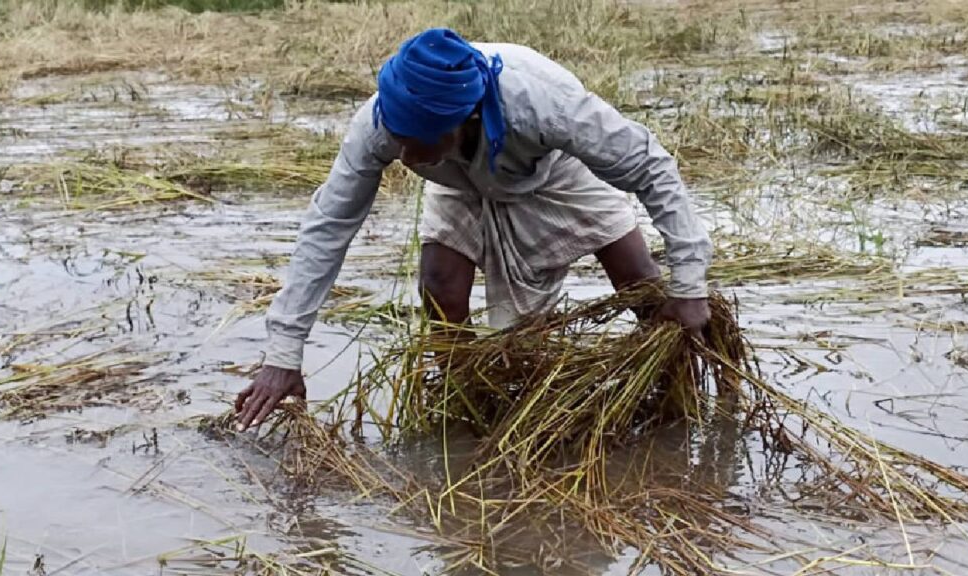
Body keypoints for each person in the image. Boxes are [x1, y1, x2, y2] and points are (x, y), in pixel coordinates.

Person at [235, 28, 713, 431]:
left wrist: (690, 285)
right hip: (457, 178)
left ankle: (681, 405)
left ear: (466, 119)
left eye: (417, 143)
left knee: (636, 278)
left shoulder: (542, 104)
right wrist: (283, 355)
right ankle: (470, 410)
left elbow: (651, 168)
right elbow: (327, 228)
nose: (406, 159)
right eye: (399, 142)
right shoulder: (384, 124)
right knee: (440, 284)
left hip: (551, 170)